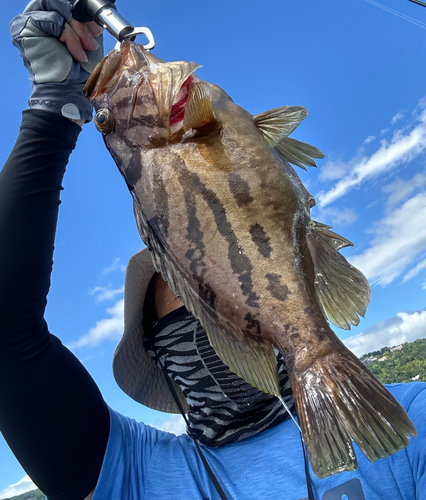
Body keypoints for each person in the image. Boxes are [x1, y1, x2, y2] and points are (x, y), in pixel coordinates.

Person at [0, 2, 425, 500]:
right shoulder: (132, 471)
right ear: (160, 352)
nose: (212, 314)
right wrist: (54, 106)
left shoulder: (411, 414)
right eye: (198, 302)